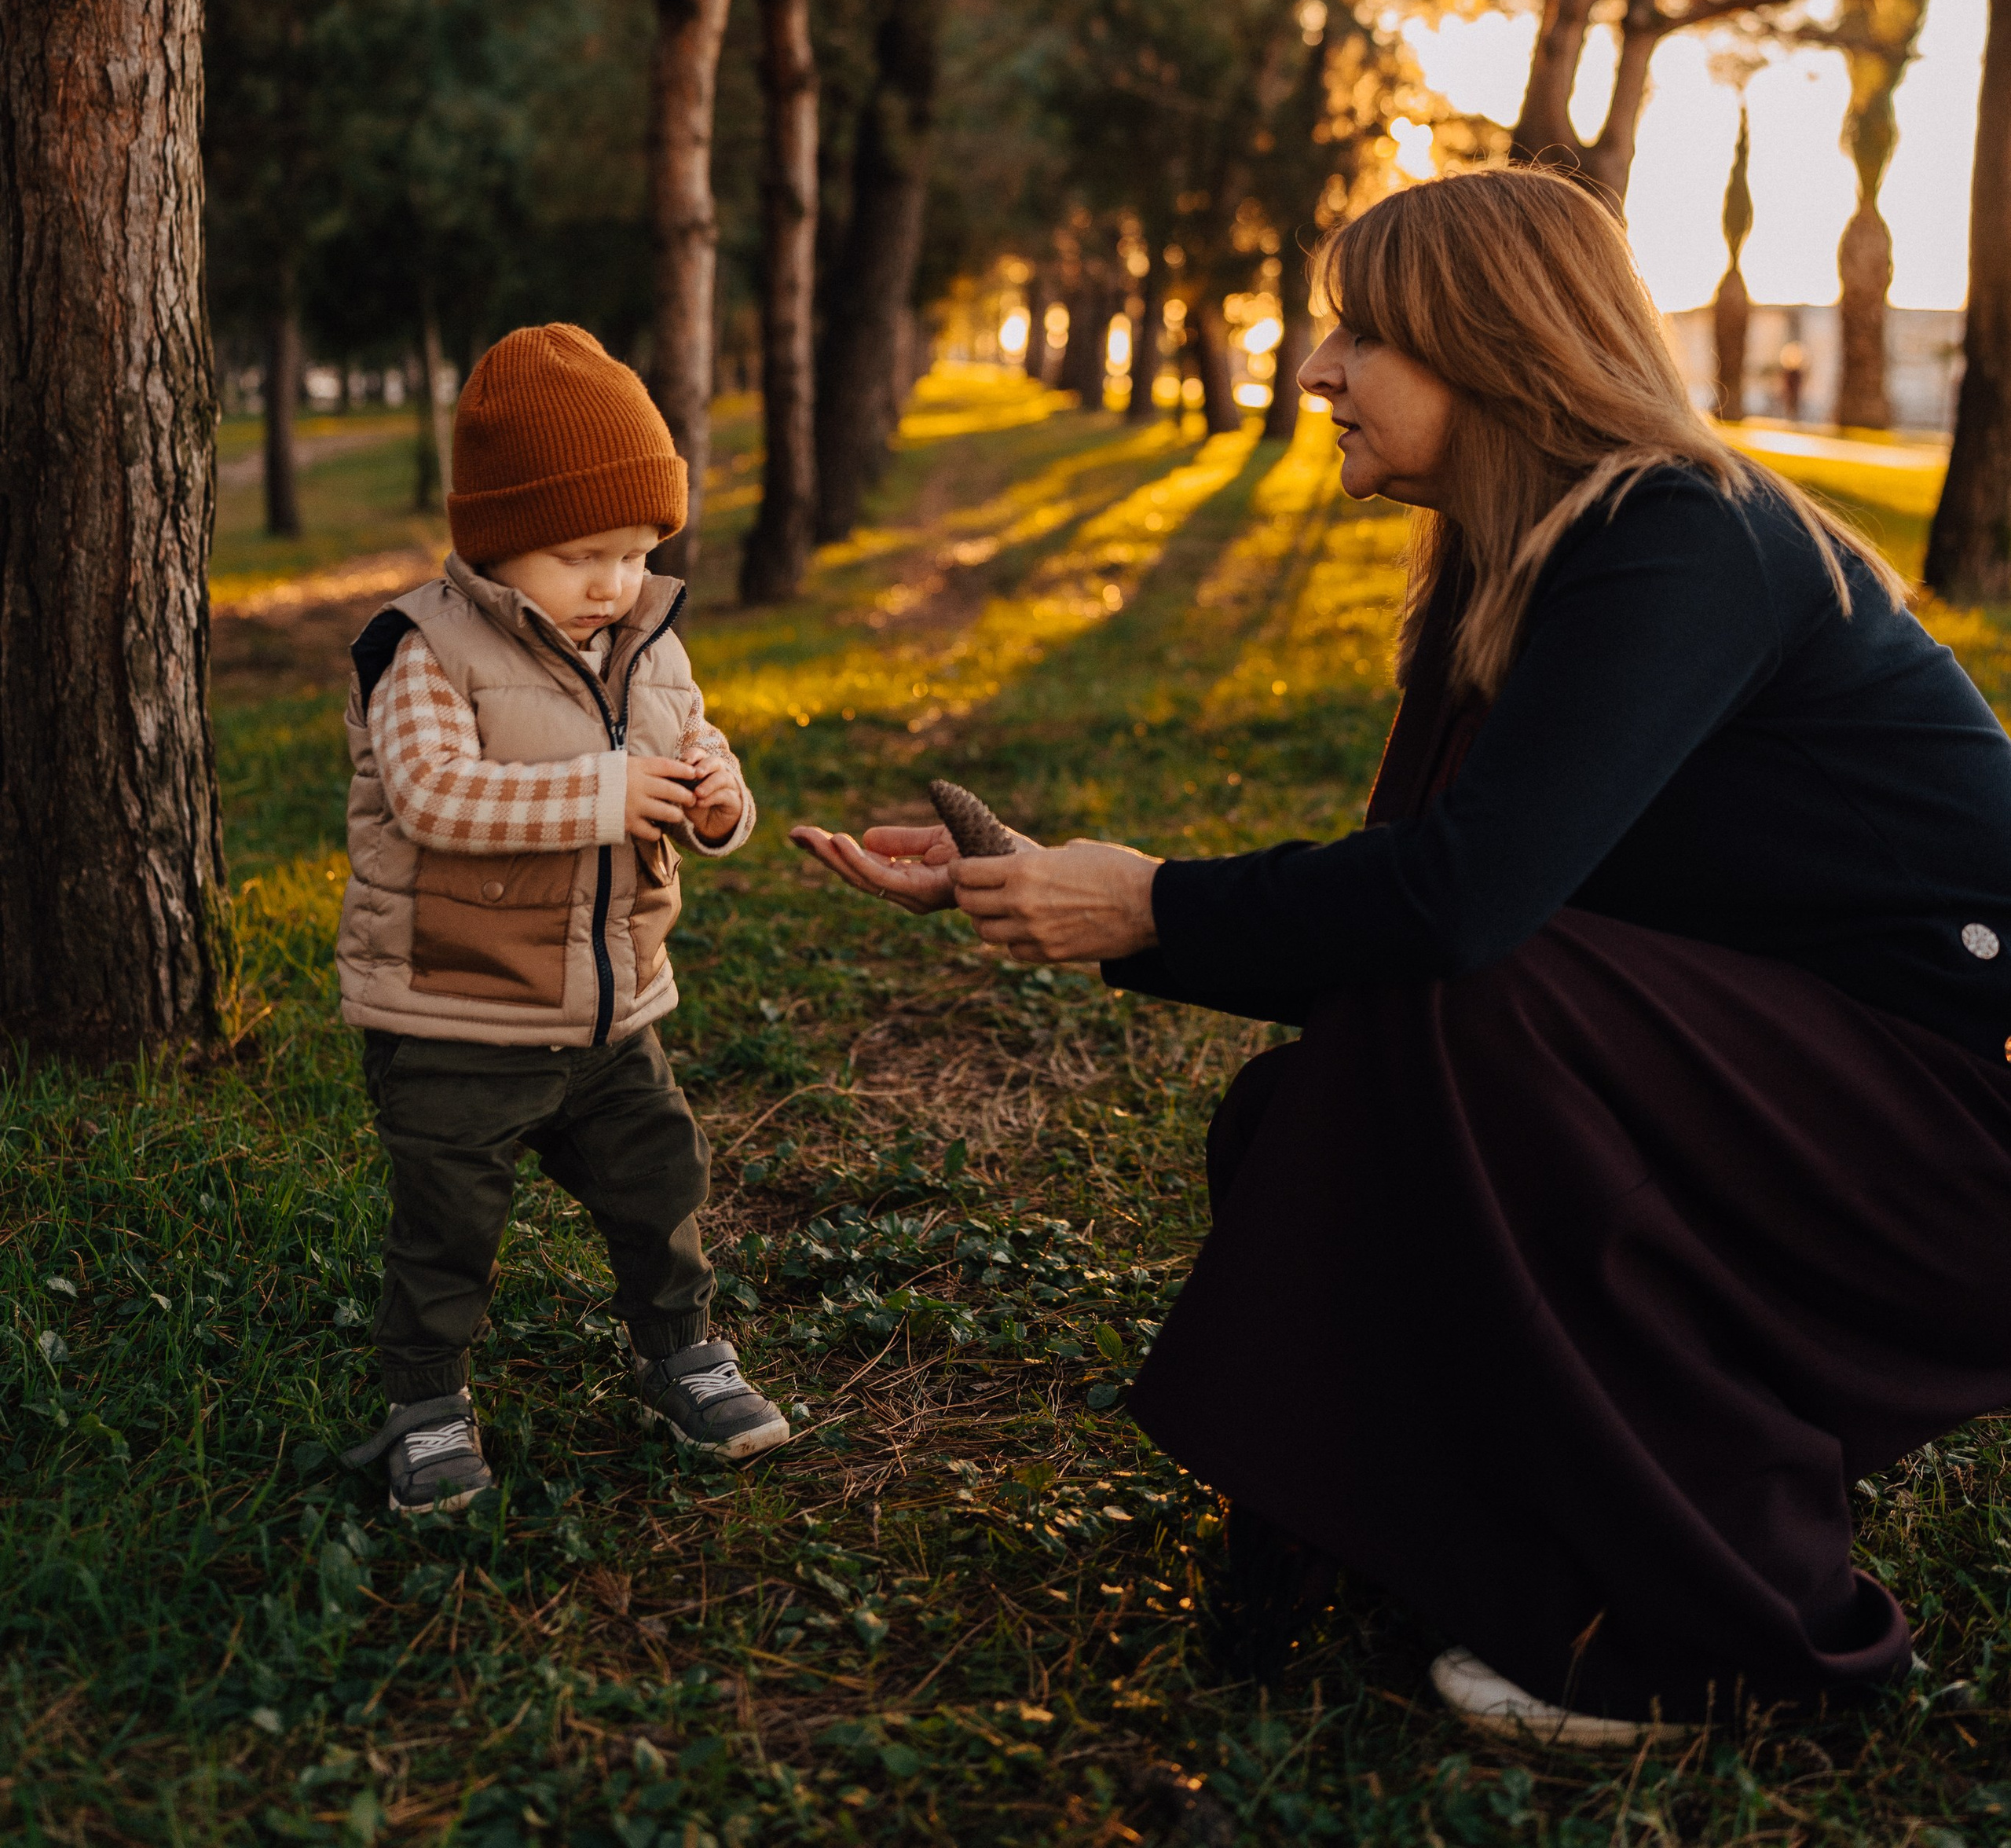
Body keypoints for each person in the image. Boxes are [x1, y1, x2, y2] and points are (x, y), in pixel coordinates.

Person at [794, 168, 2011, 1741]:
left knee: (1459, 1003)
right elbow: (1398, 936)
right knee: (1307, 1109)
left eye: (1358, 337)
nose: (1313, 375)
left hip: (1927, 1152)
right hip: (1763, 1096)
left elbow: (1452, 914)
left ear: (1490, 347)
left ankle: (1725, 1637)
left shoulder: (1682, 534)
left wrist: (1149, 899)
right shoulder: (1508, 572)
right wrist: (1043, 894)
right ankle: (1477, 1545)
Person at [337, 321, 789, 1516]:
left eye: (639, 550)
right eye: (583, 553)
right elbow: (432, 797)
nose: (615, 582)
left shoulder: (649, 642)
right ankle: (426, 1407)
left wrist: (718, 800)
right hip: (456, 1009)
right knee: (448, 1224)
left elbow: (694, 752)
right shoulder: (424, 647)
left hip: (610, 1007)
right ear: (496, 543)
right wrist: (602, 792)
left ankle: (680, 1349)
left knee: (661, 1177)